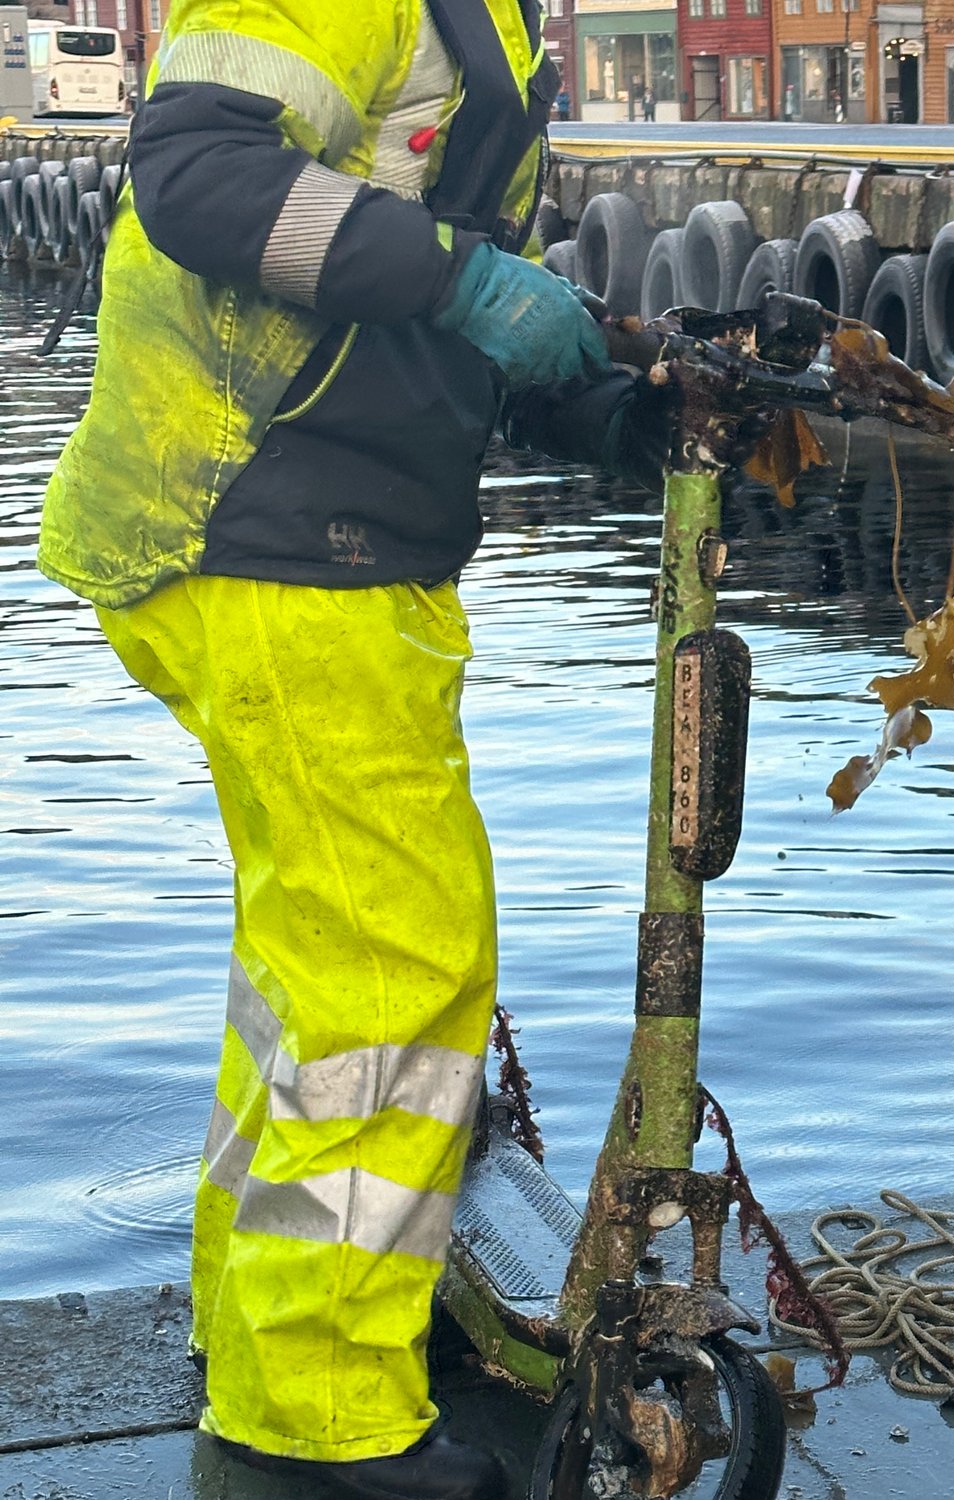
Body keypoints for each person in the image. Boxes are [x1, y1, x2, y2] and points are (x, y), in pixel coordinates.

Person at [37, 2, 672, 1497]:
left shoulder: (486, 23)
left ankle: (261, 1335)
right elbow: (195, 175)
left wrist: (597, 401)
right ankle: (316, 1412)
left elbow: (415, 306)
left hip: (308, 534)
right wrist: (468, 283)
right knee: (393, 966)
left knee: (310, 971)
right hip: (260, 527)